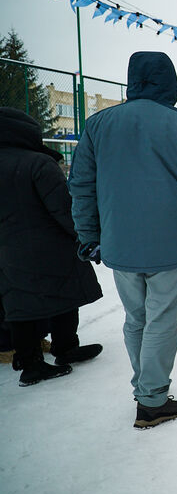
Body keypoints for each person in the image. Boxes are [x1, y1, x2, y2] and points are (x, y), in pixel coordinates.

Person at [68, 51, 177, 429]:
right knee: (162, 320)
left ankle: (147, 390)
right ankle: (152, 400)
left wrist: (89, 235)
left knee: (136, 318)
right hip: (170, 244)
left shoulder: (97, 125)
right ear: (171, 82)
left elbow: (81, 187)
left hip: (119, 243)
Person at [0, 107, 103, 386]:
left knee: (18, 301)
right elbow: (64, 208)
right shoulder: (38, 163)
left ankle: (27, 356)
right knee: (65, 292)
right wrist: (85, 236)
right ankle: (62, 348)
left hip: (7, 249)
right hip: (50, 245)